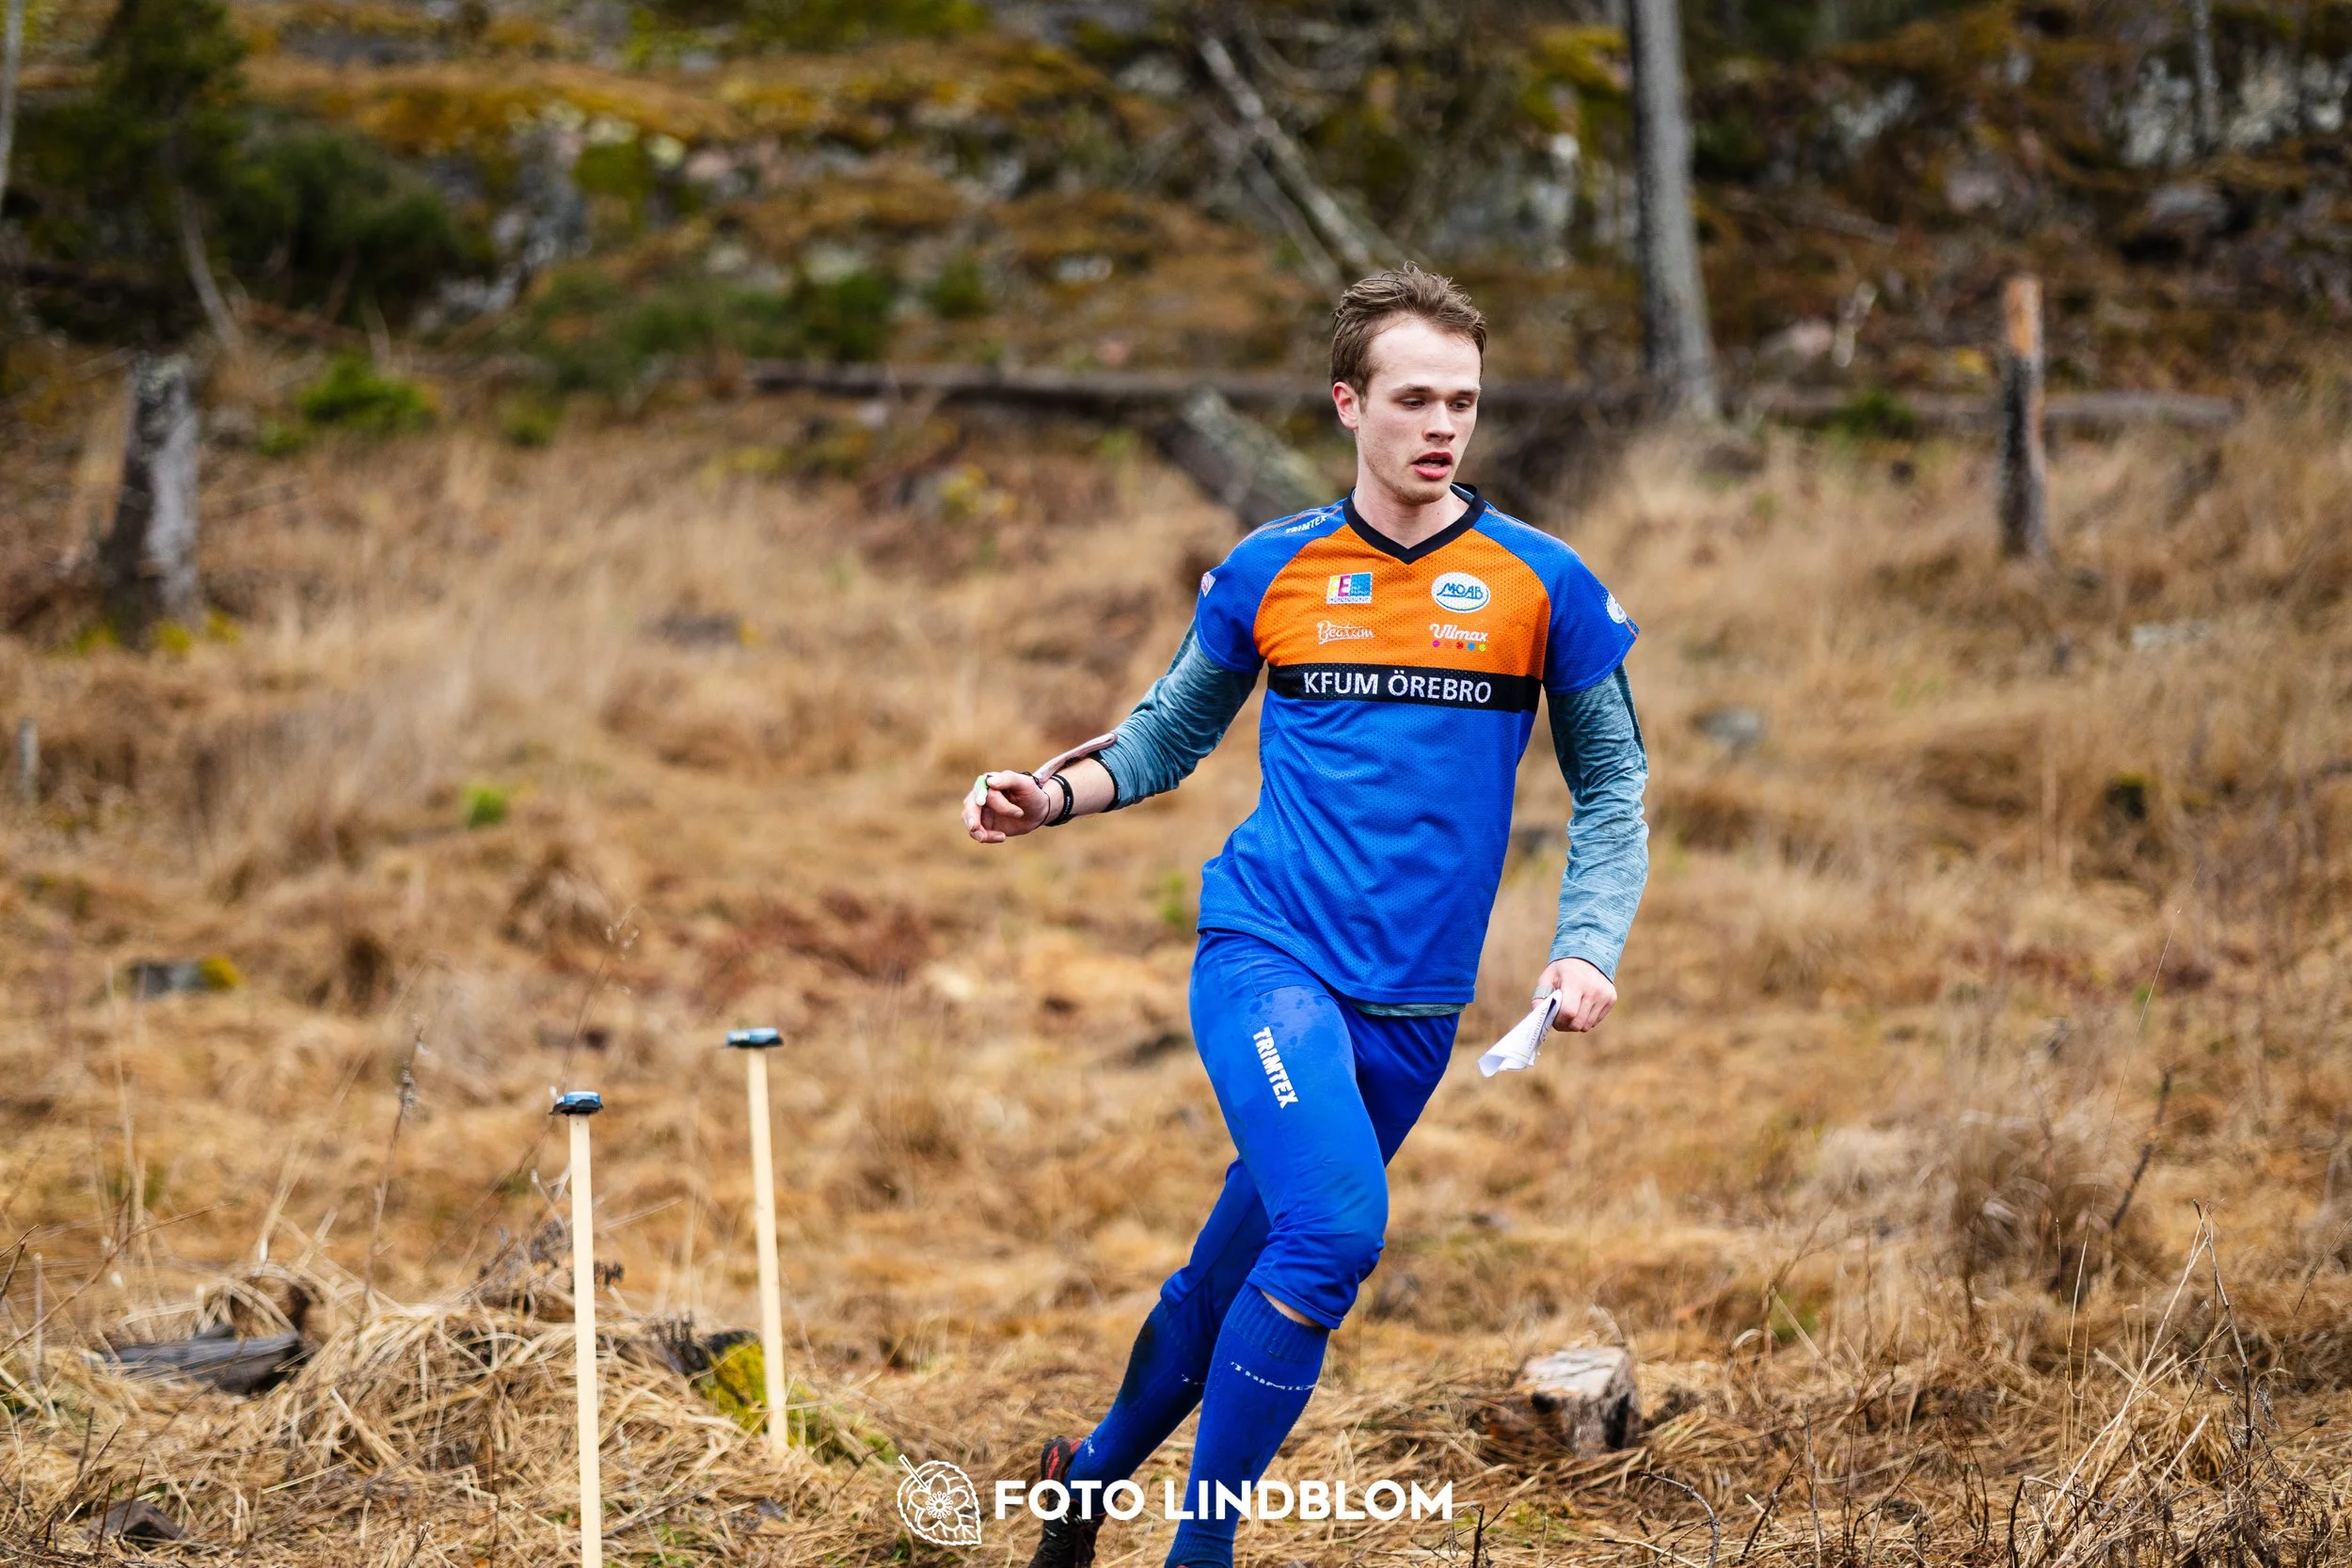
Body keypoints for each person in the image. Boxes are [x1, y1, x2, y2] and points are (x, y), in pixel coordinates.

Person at [960, 265, 1650, 1568]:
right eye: (1413, 399)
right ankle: (1201, 1550)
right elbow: (1165, 736)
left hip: (1417, 1006)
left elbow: (1613, 781)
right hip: (1269, 955)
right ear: (1349, 404)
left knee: (1239, 1267)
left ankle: (1084, 1479)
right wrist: (1043, 797)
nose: (1441, 426)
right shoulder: (1271, 568)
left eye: (1463, 402)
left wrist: (1587, 941)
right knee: (1332, 1232)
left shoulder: (1541, 584)